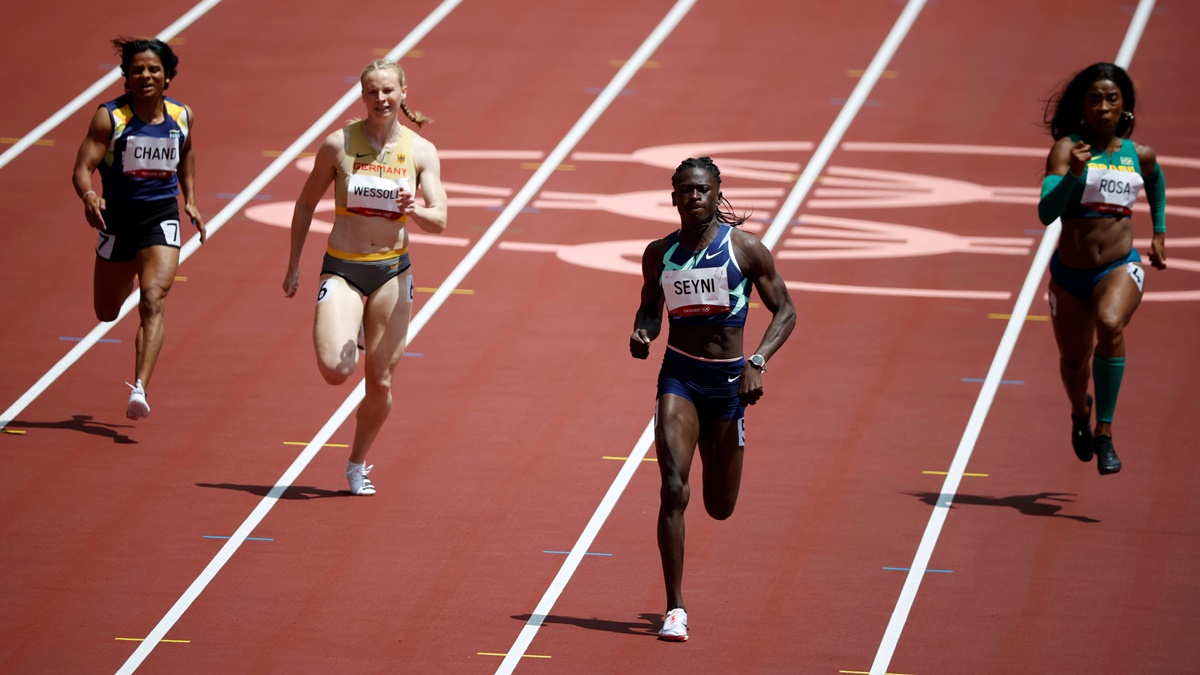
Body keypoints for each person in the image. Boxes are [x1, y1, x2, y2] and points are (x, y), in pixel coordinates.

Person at [629, 157, 796, 641]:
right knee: (673, 488)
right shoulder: (659, 253)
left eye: (702, 189)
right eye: (685, 190)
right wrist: (643, 332)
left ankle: (720, 469)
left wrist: (757, 362)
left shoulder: (745, 251)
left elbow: (785, 311)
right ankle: (675, 608)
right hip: (678, 378)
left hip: (728, 386)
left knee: (720, 505)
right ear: (675, 196)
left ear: (716, 192)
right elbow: (649, 309)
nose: (694, 197)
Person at [283, 60, 447, 496]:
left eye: (388, 91)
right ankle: (347, 320)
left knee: (382, 382)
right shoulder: (338, 145)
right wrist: (295, 264)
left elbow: (441, 220)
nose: (381, 99)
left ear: (404, 93)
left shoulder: (421, 151)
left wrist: (416, 209)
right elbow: (303, 205)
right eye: (372, 92)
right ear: (363, 97)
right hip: (343, 266)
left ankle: (357, 463)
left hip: (393, 272)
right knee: (337, 371)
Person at [1038, 62, 1168, 475]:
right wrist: (1074, 175)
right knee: (1074, 364)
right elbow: (1046, 213)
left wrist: (1160, 231)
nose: (1103, 106)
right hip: (1070, 275)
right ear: (1083, 105)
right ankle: (1080, 412)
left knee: (1110, 324)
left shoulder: (1138, 155)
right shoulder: (1066, 149)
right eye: (1094, 99)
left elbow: (1156, 180)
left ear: (1124, 105)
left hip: (1118, 266)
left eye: (1112, 99)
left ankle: (1105, 433)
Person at [72, 37, 206, 420]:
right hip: (117, 219)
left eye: (153, 69)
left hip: (160, 216)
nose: (145, 75)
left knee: (154, 299)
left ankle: (140, 389)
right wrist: (88, 195)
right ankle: (127, 266)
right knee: (106, 312)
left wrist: (190, 199)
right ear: (126, 77)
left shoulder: (182, 116)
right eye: (137, 70)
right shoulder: (110, 118)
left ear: (167, 76)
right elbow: (82, 168)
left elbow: (188, 153)